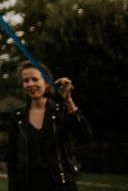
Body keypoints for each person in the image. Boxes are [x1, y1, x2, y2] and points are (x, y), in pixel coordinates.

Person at [7, 61, 92, 191]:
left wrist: (68, 100)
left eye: (35, 79)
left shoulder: (61, 111)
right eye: (26, 80)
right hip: (29, 185)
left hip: (61, 186)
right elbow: (12, 159)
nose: (30, 84)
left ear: (46, 83)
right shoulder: (17, 117)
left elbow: (85, 137)